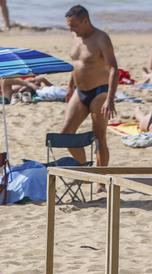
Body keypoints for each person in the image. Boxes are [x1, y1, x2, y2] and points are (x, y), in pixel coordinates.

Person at [60, 5, 118, 170]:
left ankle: (100, 179)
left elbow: (113, 68)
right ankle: (85, 169)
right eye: (69, 26)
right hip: (80, 92)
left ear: (85, 20)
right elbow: (76, 64)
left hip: (100, 92)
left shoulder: (101, 38)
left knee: (99, 137)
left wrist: (110, 99)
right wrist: (70, 87)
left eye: (74, 25)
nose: (71, 29)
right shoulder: (75, 36)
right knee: (66, 134)